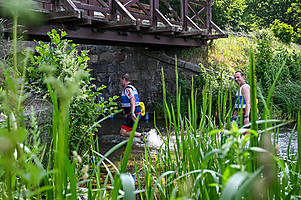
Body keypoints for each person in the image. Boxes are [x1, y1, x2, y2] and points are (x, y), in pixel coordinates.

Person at [119, 73, 143, 138]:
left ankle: (143, 136)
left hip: (133, 113)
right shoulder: (133, 88)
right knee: (130, 131)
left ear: (124, 79)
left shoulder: (127, 89)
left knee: (123, 132)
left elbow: (132, 99)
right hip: (135, 112)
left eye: (121, 80)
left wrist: (132, 113)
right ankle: (138, 142)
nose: (121, 81)